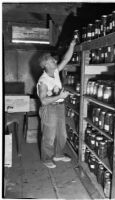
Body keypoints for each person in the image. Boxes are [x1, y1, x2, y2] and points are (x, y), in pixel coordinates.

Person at [37, 39, 76, 168]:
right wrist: (59, 96)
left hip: (59, 106)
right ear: (45, 65)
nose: (55, 61)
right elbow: (43, 100)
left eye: (54, 60)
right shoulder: (43, 81)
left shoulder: (55, 72)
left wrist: (71, 45)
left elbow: (65, 59)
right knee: (49, 136)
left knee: (62, 134)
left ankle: (58, 154)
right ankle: (46, 158)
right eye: (52, 61)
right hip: (49, 109)